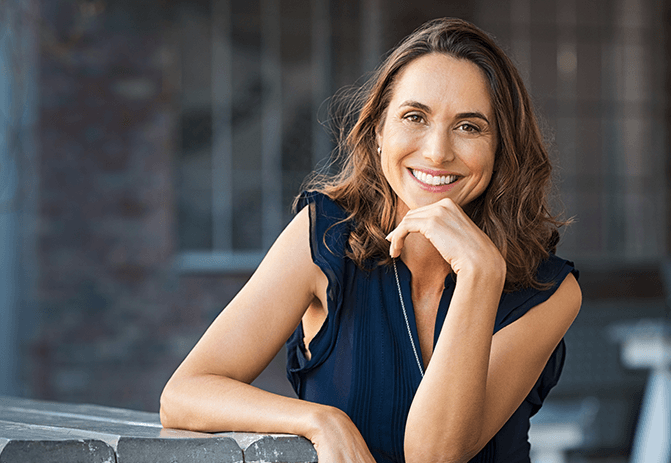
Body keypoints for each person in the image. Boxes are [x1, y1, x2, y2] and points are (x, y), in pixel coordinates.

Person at [160, 17, 582, 463]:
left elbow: (433, 455)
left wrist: (481, 274)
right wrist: (320, 420)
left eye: (469, 127)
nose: (437, 151)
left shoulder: (550, 291)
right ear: (379, 132)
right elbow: (184, 394)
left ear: (501, 150)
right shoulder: (323, 236)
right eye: (414, 117)